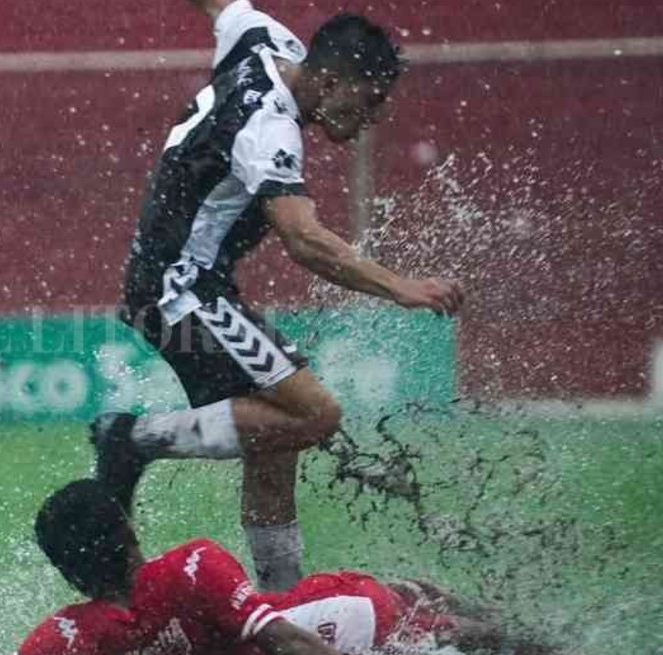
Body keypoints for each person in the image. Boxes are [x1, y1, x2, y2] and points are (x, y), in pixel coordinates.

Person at [93, 0, 464, 592]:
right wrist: (402, 287)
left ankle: (283, 598)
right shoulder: (269, 125)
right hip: (178, 290)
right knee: (315, 414)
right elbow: (304, 238)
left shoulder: (263, 39)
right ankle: (132, 440)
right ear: (330, 80)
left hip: (181, 282)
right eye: (367, 101)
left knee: (276, 437)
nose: (370, 119)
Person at [19, 479, 556, 655]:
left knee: (447, 629)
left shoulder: (62, 639)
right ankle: (543, 636)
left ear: (66, 570)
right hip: (329, 606)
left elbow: (290, 643)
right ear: (129, 532)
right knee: (429, 607)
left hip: (339, 628)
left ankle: (554, 642)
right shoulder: (190, 564)